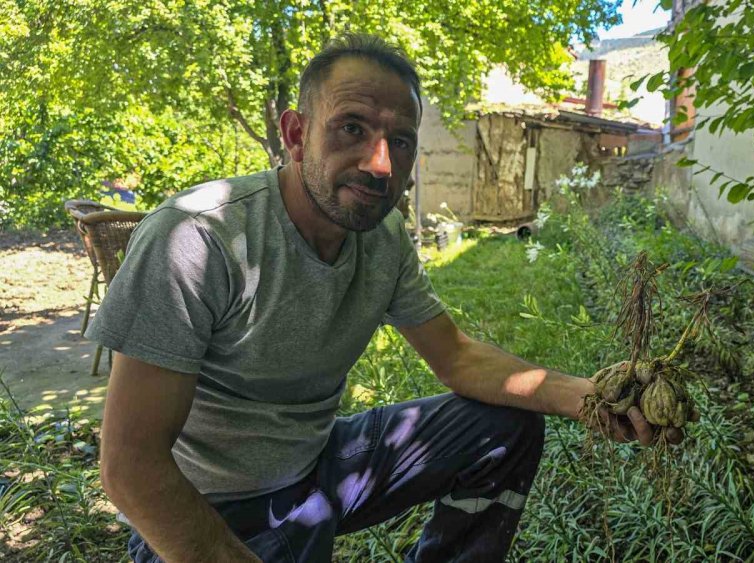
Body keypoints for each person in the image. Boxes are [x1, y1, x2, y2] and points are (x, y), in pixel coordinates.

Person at [90, 34, 683, 563]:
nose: (380, 164)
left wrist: (592, 398)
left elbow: (457, 358)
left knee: (508, 426)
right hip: (217, 506)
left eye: (400, 141)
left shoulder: (383, 236)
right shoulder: (198, 238)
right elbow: (131, 469)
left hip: (318, 464)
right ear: (295, 134)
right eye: (352, 128)